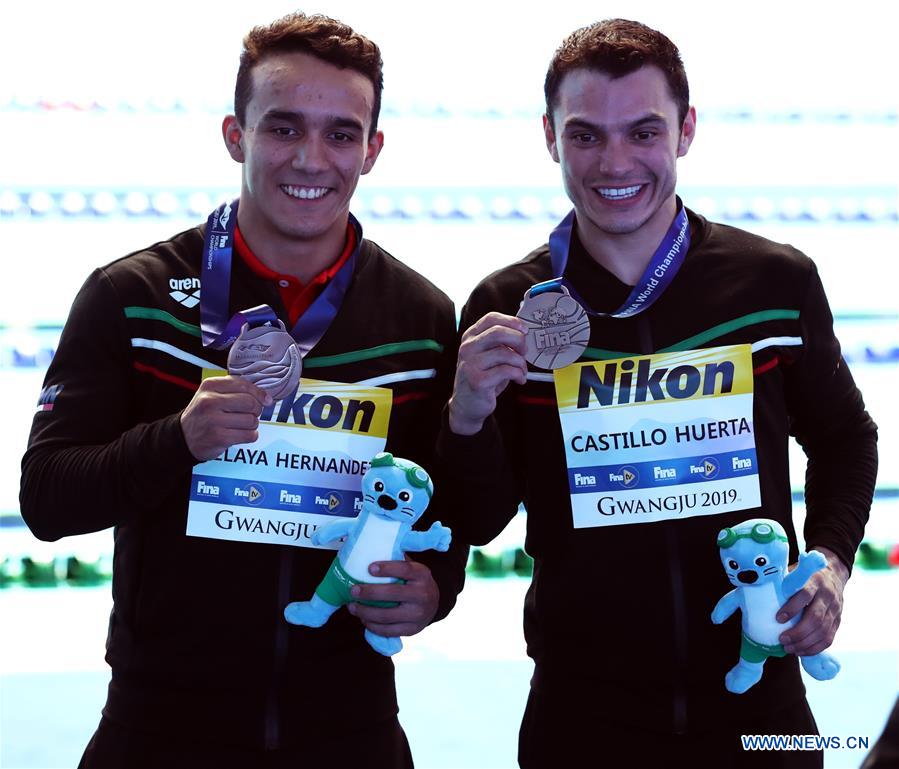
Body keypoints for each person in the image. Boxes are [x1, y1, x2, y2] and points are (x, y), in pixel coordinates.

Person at [20, 12, 467, 769]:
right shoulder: (136, 297)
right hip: (159, 728)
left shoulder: (418, 317)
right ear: (236, 134)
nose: (311, 158)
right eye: (283, 128)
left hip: (350, 727)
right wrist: (178, 438)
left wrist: (437, 588)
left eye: (340, 133)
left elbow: (444, 507)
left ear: (373, 149)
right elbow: (47, 499)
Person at [439, 18, 878, 768]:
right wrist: (467, 414)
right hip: (581, 716)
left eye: (642, 132)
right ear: (549, 136)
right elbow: (478, 521)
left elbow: (844, 437)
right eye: (585, 136)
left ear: (685, 130)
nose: (614, 161)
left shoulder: (772, 284)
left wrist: (831, 560)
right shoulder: (509, 305)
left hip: (759, 704)